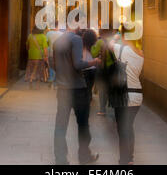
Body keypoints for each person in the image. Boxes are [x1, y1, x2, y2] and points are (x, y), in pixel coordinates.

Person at [52, 25, 100, 165]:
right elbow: (78, 64)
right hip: (78, 89)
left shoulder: (58, 41)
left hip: (62, 89)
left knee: (60, 126)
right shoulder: (77, 39)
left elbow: (53, 63)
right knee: (83, 124)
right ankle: (84, 156)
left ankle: (60, 159)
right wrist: (95, 61)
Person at [108, 24, 144, 165]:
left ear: (124, 36)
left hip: (124, 96)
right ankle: (130, 158)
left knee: (122, 129)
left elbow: (109, 43)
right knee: (129, 127)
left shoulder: (120, 49)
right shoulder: (141, 52)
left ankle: (124, 161)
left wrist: (117, 34)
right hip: (137, 96)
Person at [91, 29, 115, 116]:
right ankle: (113, 108)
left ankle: (102, 110)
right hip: (112, 68)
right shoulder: (113, 41)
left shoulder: (99, 42)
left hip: (102, 69)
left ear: (101, 33)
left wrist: (93, 47)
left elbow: (93, 54)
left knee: (102, 90)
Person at [82, 29, 98, 102]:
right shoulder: (95, 45)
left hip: (85, 67)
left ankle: (87, 98)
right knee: (90, 85)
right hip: (93, 68)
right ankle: (89, 96)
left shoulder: (82, 44)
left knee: (86, 85)